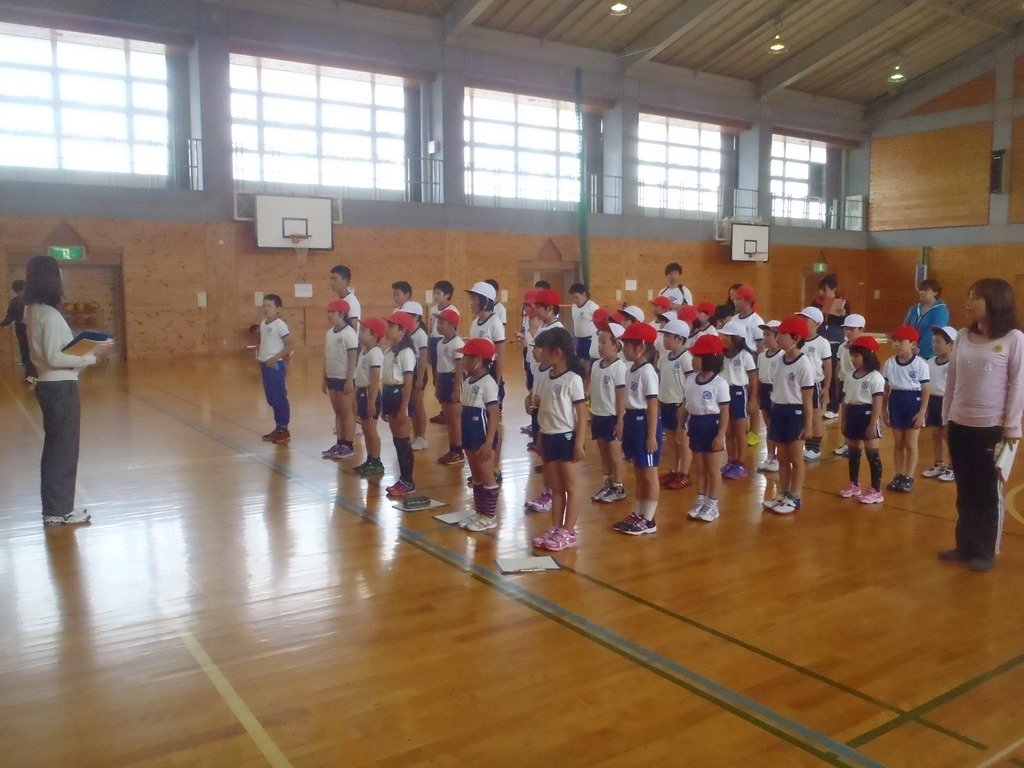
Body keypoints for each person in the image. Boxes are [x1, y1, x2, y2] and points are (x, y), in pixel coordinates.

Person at [940, 278, 1024, 572]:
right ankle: (965, 545)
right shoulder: (963, 336)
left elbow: (1018, 385)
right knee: (965, 489)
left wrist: (1012, 427)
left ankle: (986, 549)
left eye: (975, 297)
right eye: (969, 295)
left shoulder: (1014, 339)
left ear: (995, 302)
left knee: (987, 491)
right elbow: (951, 381)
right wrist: (946, 418)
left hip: (992, 428)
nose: (968, 302)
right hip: (959, 424)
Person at [24, 254, 113, 525]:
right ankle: (58, 510)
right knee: (63, 450)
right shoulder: (49, 315)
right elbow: (54, 356)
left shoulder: (34, 310)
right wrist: (92, 356)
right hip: (59, 386)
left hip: (52, 384)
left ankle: (57, 508)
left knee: (58, 448)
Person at [531, 328, 587, 552]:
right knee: (555, 487)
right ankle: (555, 526)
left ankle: (569, 530)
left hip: (566, 438)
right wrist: (540, 436)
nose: (539, 354)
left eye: (542, 350)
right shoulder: (546, 376)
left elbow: (582, 415)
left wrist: (578, 443)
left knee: (571, 487)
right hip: (549, 437)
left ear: (556, 352)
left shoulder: (573, 379)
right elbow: (545, 410)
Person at [612, 322, 663, 535]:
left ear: (640, 347)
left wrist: (651, 435)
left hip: (644, 423)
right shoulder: (631, 370)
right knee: (639, 472)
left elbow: (653, 405)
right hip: (633, 420)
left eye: (627, 345)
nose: (623, 349)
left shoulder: (648, 372)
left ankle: (648, 519)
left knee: (649, 473)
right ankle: (638, 512)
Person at [763, 316, 814, 515]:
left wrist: (808, 425)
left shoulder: (803, 364)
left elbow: (807, 398)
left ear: (796, 338)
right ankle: (783, 493)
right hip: (779, 411)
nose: (778, 337)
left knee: (795, 457)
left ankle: (795, 496)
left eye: (782, 334)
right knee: (782, 457)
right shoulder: (779, 360)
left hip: (795, 412)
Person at [684, 334, 731, 522]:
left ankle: (712, 504)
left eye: (697, 356)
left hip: (712, 425)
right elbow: (686, 405)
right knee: (700, 468)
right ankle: (701, 499)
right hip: (695, 424)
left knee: (712, 469)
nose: (693, 359)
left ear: (709, 359)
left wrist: (720, 435)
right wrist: (680, 426)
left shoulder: (720, 384)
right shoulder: (690, 380)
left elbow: (725, 412)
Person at [458, 337, 501, 532]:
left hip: (482, 435)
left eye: (466, 357)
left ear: (478, 359)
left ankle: (489, 516)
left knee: (486, 475)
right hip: (469, 433)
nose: (463, 360)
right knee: (475, 476)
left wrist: (489, 442)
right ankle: (480, 513)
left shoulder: (488, 383)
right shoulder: (467, 381)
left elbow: (493, 414)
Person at [837, 336, 886, 505]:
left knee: (872, 454)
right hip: (853, 414)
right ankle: (854, 484)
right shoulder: (850, 376)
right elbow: (845, 401)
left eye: (856, 356)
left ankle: (876, 490)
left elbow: (877, 402)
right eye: (852, 356)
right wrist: (843, 420)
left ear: (867, 355)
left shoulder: (875, 377)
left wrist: (873, 423)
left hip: (867, 415)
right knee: (853, 452)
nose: (853, 359)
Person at [882, 324, 930, 493]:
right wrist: (883, 410)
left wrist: (922, 412)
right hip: (896, 401)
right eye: (894, 340)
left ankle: (909, 476)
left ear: (912, 344)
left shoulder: (920, 364)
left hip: (913, 402)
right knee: (898, 443)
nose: (896, 344)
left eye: (901, 341)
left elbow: (926, 389)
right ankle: (898, 474)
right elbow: (885, 389)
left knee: (910, 443)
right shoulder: (889, 364)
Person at [589, 320, 628, 504]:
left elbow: (621, 397)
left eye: (604, 342)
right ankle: (607, 484)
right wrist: (591, 413)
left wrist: (620, 420)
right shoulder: (596, 365)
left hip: (612, 417)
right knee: (604, 454)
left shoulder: (619, 368)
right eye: (599, 341)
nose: (600, 346)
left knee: (614, 454)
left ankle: (618, 487)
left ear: (616, 345)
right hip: (598, 416)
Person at [381, 312, 417, 496]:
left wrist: (404, 407)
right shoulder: (388, 352)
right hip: (389, 394)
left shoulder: (407, 353)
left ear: (402, 331)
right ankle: (402, 479)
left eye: (391, 326)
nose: (387, 329)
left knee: (403, 441)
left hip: (400, 395)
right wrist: (383, 405)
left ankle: (408, 480)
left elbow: (408, 382)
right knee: (396, 440)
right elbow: (385, 379)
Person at [656, 318, 693, 490]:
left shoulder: (686, 359)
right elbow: (661, 381)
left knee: (682, 442)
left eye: (667, 336)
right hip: (667, 404)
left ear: (679, 338)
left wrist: (685, 405)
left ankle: (684, 474)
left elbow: (690, 384)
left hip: (680, 406)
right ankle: (673, 470)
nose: (664, 340)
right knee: (671, 441)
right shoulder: (663, 359)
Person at [719, 319, 758, 479]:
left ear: (737, 338)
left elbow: (753, 378)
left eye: (727, 336)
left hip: (739, 393)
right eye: (723, 335)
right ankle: (731, 460)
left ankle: (741, 463)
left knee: (740, 431)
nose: (723, 339)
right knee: (728, 431)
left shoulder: (745, 356)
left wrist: (753, 399)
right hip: (724, 393)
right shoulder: (721, 355)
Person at [321, 299, 358, 460]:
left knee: (347, 411)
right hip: (332, 377)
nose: (329, 315)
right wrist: (324, 378)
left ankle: (348, 445)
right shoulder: (329, 333)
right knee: (338, 412)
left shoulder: (349, 333)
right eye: (328, 312)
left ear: (342, 314)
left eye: (332, 312)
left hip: (344, 378)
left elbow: (353, 358)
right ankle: (340, 443)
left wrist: (349, 380)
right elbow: (327, 357)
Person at [258, 294, 294, 444]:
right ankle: (278, 426)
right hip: (265, 365)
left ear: (278, 309)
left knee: (279, 397)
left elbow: (290, 345)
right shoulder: (263, 324)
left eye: (269, 306)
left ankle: (284, 428)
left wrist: (276, 358)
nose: (266, 308)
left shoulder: (280, 325)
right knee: (271, 397)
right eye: (264, 306)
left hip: (275, 365)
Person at [921, 326, 956, 482]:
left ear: (951, 344)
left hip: (948, 402)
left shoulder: (955, 364)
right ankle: (938, 464)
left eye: (939, 342)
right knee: (936, 435)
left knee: (949, 436)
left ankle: (953, 466)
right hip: (934, 401)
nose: (935, 345)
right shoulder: (929, 362)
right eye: (933, 341)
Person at [797, 306, 832, 462]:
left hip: (814, 384)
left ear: (817, 323)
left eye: (805, 320)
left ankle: (815, 448)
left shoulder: (822, 343)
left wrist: (827, 387)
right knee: (803, 415)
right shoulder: (797, 340)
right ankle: (806, 446)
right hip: (798, 384)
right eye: (801, 319)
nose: (802, 322)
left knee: (815, 416)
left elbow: (828, 366)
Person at [813, 274, 850, 417]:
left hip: (834, 342)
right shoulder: (816, 303)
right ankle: (817, 403)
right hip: (820, 340)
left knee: (833, 374)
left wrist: (843, 315)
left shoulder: (843, 302)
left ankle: (833, 407)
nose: (821, 292)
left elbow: (847, 323)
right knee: (818, 372)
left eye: (825, 290)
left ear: (833, 289)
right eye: (820, 289)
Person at [352, 318, 385, 478]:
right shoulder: (364, 352)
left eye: (363, 331)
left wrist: (372, 401)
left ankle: (377, 461)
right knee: (366, 429)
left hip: (370, 394)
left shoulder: (375, 353)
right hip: (362, 393)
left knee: (371, 430)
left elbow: (375, 379)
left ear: (374, 335)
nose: (359, 334)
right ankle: (370, 459)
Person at [832, 314, 867, 457]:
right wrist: (836, 383)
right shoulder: (842, 347)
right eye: (846, 328)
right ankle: (847, 443)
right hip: (844, 383)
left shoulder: (864, 348)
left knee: (857, 415)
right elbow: (839, 366)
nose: (848, 331)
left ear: (861, 330)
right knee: (845, 414)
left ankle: (859, 445)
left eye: (852, 329)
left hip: (857, 384)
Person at [434, 308, 465, 466]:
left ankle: (458, 450)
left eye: (442, 322)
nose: (438, 325)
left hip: (453, 380)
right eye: (438, 322)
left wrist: (456, 389)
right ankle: (452, 449)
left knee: (455, 420)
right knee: (448, 419)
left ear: (452, 325)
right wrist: (438, 384)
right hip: (444, 380)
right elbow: (439, 366)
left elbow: (459, 367)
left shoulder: (457, 343)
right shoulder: (440, 343)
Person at [399, 300, 431, 451]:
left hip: (418, 372)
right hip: (409, 371)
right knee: (412, 405)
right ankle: (416, 435)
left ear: (416, 317)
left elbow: (423, 357)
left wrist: (419, 378)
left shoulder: (420, 334)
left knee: (418, 406)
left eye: (408, 316)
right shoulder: (407, 332)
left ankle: (421, 437)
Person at [428, 280, 456, 425]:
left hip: (445, 341)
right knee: (437, 377)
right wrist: (428, 347)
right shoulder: (433, 310)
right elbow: (430, 329)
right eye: (435, 293)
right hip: (434, 342)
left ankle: (449, 410)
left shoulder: (453, 310)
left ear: (447, 295)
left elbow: (454, 330)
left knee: (447, 376)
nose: (435, 296)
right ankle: (444, 409)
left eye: (438, 293)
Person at [755, 320, 782, 473]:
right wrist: (758, 395)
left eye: (768, 335)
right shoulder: (761, 356)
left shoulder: (782, 355)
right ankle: (770, 455)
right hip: (765, 390)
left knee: (777, 425)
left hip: (777, 390)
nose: (764, 338)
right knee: (769, 426)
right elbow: (759, 377)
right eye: (764, 335)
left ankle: (779, 458)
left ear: (778, 336)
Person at [2, 279, 37, 383]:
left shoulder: (27, 301)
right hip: (26, 330)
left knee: (29, 352)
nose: (20, 293)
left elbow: (10, 317)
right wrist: (2, 324)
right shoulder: (18, 301)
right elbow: (10, 317)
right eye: (18, 291)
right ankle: (30, 375)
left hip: (28, 330)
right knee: (27, 352)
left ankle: (33, 375)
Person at [904, 278, 949, 359]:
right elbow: (905, 326)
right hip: (910, 350)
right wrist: (907, 344)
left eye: (925, 290)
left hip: (929, 353)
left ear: (935, 292)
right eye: (920, 290)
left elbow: (934, 332)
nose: (921, 292)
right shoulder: (915, 308)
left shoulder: (941, 310)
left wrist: (918, 347)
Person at [569, 283, 598, 364]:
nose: (575, 300)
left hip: (590, 340)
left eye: (576, 297)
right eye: (573, 298)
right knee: (580, 363)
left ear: (584, 294)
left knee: (589, 362)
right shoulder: (574, 307)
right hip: (578, 340)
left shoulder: (592, 306)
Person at [329, 264, 360, 329]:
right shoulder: (338, 299)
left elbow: (354, 328)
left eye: (334, 279)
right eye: (331, 279)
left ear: (345, 281)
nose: (331, 282)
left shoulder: (351, 301)